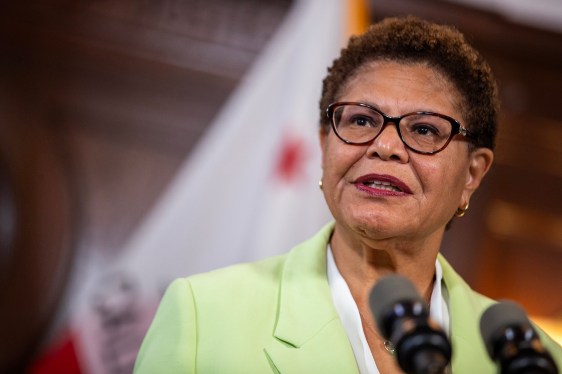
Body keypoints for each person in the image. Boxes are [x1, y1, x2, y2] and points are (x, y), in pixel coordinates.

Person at [134, 16, 562, 373]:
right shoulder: (203, 316)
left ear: (472, 174)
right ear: (325, 146)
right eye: (360, 120)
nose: (385, 146)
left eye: (425, 129)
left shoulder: (536, 360)